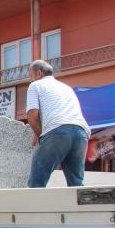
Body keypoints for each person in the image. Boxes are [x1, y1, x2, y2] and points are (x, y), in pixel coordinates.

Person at [25, 59, 90, 188]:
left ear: (39, 73)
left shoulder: (35, 86)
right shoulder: (66, 87)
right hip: (81, 133)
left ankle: (35, 208)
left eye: (31, 76)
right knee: (76, 184)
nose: (30, 80)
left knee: (37, 183)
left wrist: (39, 135)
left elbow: (32, 116)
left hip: (58, 132)